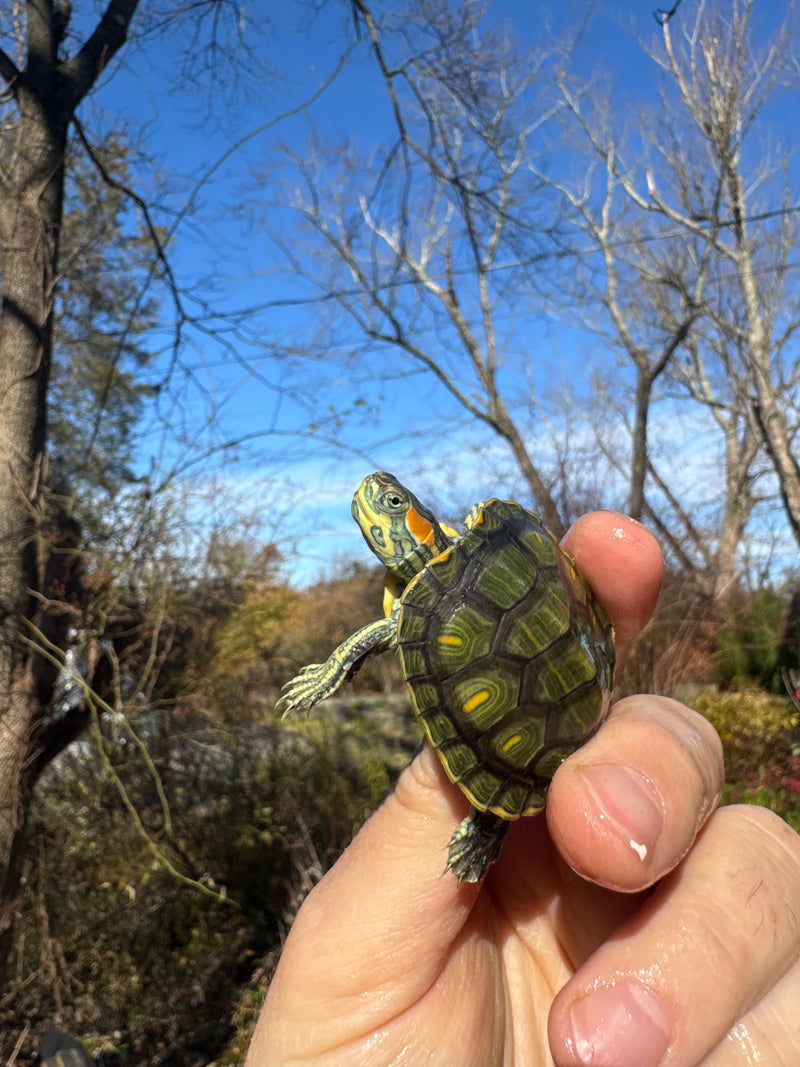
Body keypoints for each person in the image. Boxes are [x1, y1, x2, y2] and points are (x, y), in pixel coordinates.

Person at [246, 512, 800, 1066]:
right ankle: (489, 819)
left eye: (392, 508)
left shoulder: (461, 571)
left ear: (419, 522)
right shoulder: (443, 589)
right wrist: (331, 669)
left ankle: (490, 818)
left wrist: (332, 668)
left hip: (567, 717)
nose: (377, 510)